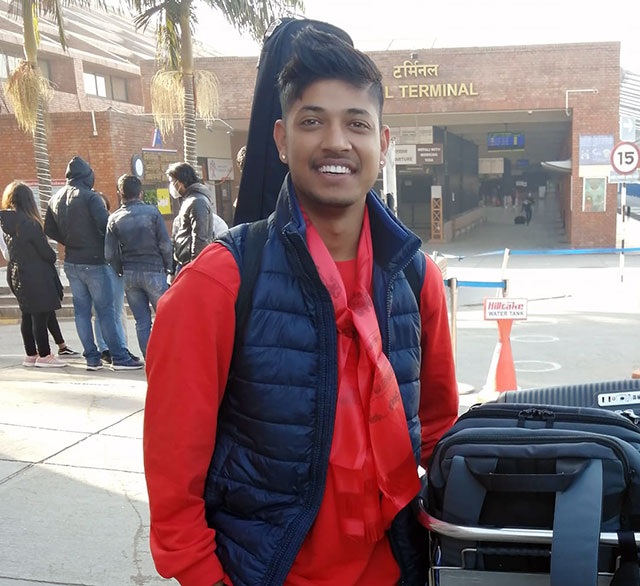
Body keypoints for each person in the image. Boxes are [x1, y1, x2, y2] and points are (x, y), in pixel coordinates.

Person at [143, 27, 459, 586]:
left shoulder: (416, 277)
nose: (336, 141)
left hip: (396, 570)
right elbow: (174, 474)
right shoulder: (220, 283)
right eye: (312, 121)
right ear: (281, 140)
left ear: (382, 142)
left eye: (356, 123)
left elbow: (437, 435)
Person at [43, 156, 143, 371]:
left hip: (71, 261)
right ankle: (119, 356)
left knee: (81, 312)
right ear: (87, 176)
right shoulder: (90, 197)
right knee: (105, 311)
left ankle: (92, 358)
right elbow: (108, 226)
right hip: (96, 261)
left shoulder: (55, 198)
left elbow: (49, 229)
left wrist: (69, 241)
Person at [105, 175, 174, 359]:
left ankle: (150, 359)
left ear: (120, 194)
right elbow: (165, 244)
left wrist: (121, 270)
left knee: (142, 322)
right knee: (165, 318)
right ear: (141, 193)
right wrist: (170, 268)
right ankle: (168, 357)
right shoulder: (152, 213)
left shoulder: (114, 219)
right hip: (154, 270)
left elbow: (110, 254)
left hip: (129, 273)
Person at [1, 182, 68, 368]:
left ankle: (31, 354)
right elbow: (47, 253)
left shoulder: (7, 224)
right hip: (36, 274)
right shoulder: (30, 224)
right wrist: (52, 254)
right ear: (29, 200)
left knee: (27, 315)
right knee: (41, 314)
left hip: (17, 274)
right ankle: (45, 355)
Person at [92, 191, 130, 365]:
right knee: (101, 311)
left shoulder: (112, 220)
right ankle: (106, 349)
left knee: (116, 311)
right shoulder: (88, 223)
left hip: (113, 268)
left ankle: (121, 347)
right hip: (98, 269)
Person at [166, 161, 214, 270]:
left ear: (181, 181)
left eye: (172, 181)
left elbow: (200, 238)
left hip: (191, 264)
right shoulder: (188, 200)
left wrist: (194, 267)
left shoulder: (197, 201)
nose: (172, 185)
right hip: (184, 263)